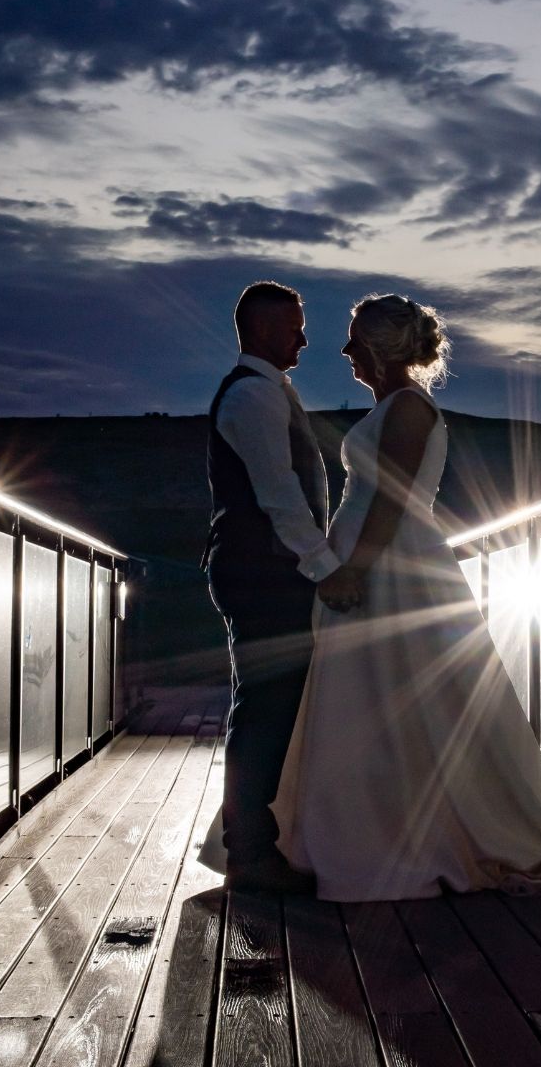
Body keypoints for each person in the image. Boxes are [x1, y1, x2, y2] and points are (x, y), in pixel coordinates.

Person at [272, 293, 541, 901]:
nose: (344, 351)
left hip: (394, 570)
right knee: (370, 702)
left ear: (378, 346)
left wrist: (356, 571)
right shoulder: (391, 406)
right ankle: (371, 828)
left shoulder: (407, 410)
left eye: (353, 339)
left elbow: (394, 500)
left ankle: (416, 838)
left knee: (407, 699)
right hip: (375, 563)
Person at [201, 280, 361, 891]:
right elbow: (280, 497)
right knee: (264, 709)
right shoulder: (252, 398)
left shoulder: (266, 390)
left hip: (266, 570)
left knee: (269, 705)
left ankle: (257, 844)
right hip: (263, 574)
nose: (303, 336)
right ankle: (250, 854)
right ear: (265, 329)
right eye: (294, 325)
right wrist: (327, 569)